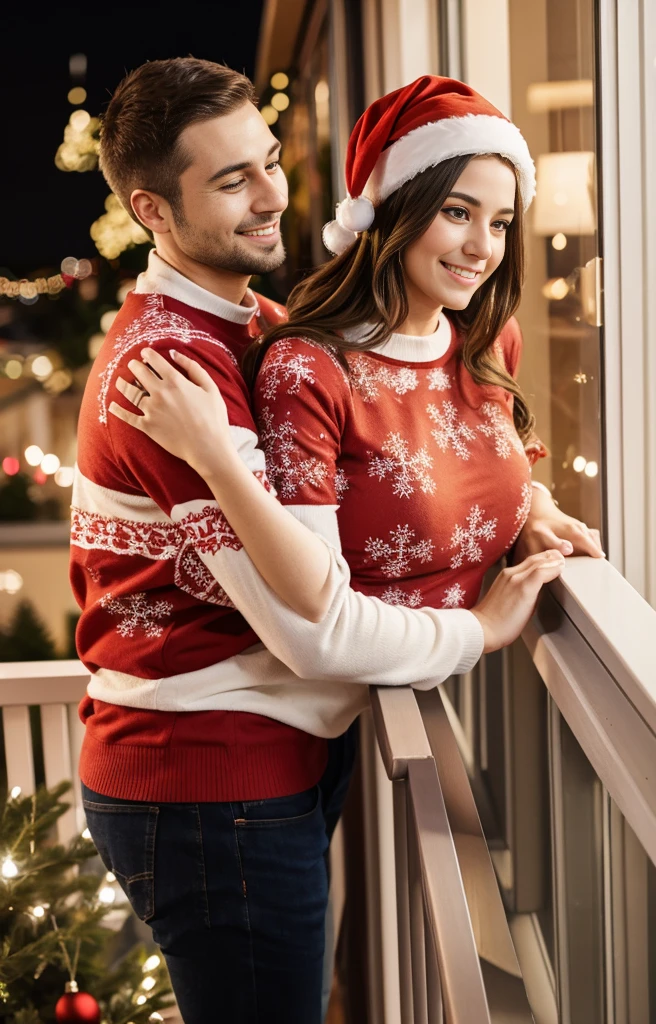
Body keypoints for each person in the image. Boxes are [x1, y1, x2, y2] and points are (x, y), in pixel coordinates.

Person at [74, 61, 600, 1024]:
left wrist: (522, 503)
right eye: (231, 180)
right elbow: (313, 615)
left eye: (268, 161)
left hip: (275, 756)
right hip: (204, 771)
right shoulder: (173, 374)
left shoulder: (257, 326)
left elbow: (421, 435)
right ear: (151, 208)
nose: (273, 193)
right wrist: (478, 632)